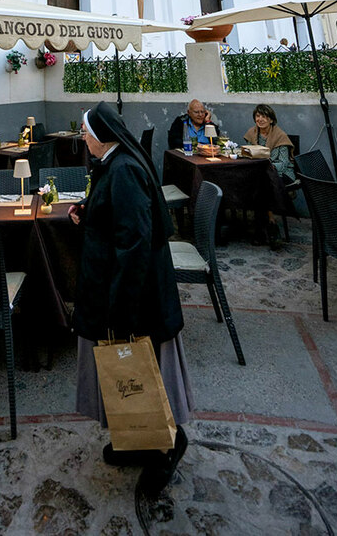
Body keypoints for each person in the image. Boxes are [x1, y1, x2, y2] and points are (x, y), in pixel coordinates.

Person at [69, 101, 192, 496]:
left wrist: (121, 307)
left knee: (143, 368)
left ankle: (165, 447)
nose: (83, 138)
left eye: (86, 132)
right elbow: (117, 215)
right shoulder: (116, 163)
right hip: (127, 290)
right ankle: (138, 440)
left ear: (103, 135)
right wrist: (87, 211)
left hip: (138, 297)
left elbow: (135, 241)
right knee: (132, 372)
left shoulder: (123, 170)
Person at [244, 103, 295, 249]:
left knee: (262, 183)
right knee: (258, 183)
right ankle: (271, 223)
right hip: (260, 175)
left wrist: (267, 167)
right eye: (257, 116)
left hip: (282, 173)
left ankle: (262, 229)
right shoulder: (252, 134)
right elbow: (247, 155)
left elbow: (284, 163)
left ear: (271, 120)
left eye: (264, 117)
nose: (260, 119)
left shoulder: (280, 136)